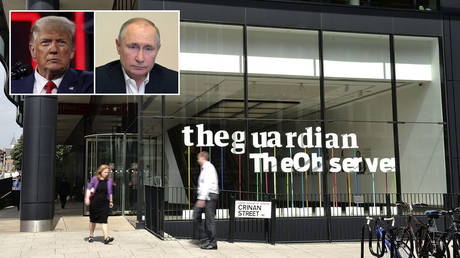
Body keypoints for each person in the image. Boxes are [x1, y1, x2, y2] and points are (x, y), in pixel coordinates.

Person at [11, 16, 93, 94]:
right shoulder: (13, 88)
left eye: (61, 42)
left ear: (72, 50)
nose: (54, 50)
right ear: (33, 51)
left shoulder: (92, 83)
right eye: (45, 42)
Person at [96, 17, 178, 94]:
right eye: (133, 47)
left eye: (148, 49)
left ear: (157, 49)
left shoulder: (174, 81)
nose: (140, 58)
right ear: (118, 46)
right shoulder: (96, 79)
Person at [193, 151, 219, 250]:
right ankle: (205, 238)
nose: (197, 160)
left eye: (198, 158)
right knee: (196, 216)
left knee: (209, 220)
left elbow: (207, 184)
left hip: (209, 196)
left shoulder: (208, 168)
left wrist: (202, 198)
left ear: (203, 158)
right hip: (206, 196)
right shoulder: (205, 168)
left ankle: (212, 243)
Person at [84, 165, 114, 244]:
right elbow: (89, 188)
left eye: (108, 172)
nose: (106, 174)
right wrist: (87, 198)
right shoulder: (95, 179)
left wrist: (111, 201)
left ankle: (106, 238)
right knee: (93, 220)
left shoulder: (109, 180)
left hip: (104, 203)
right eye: (105, 172)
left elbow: (110, 192)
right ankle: (91, 235)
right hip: (95, 202)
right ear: (100, 172)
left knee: (104, 220)